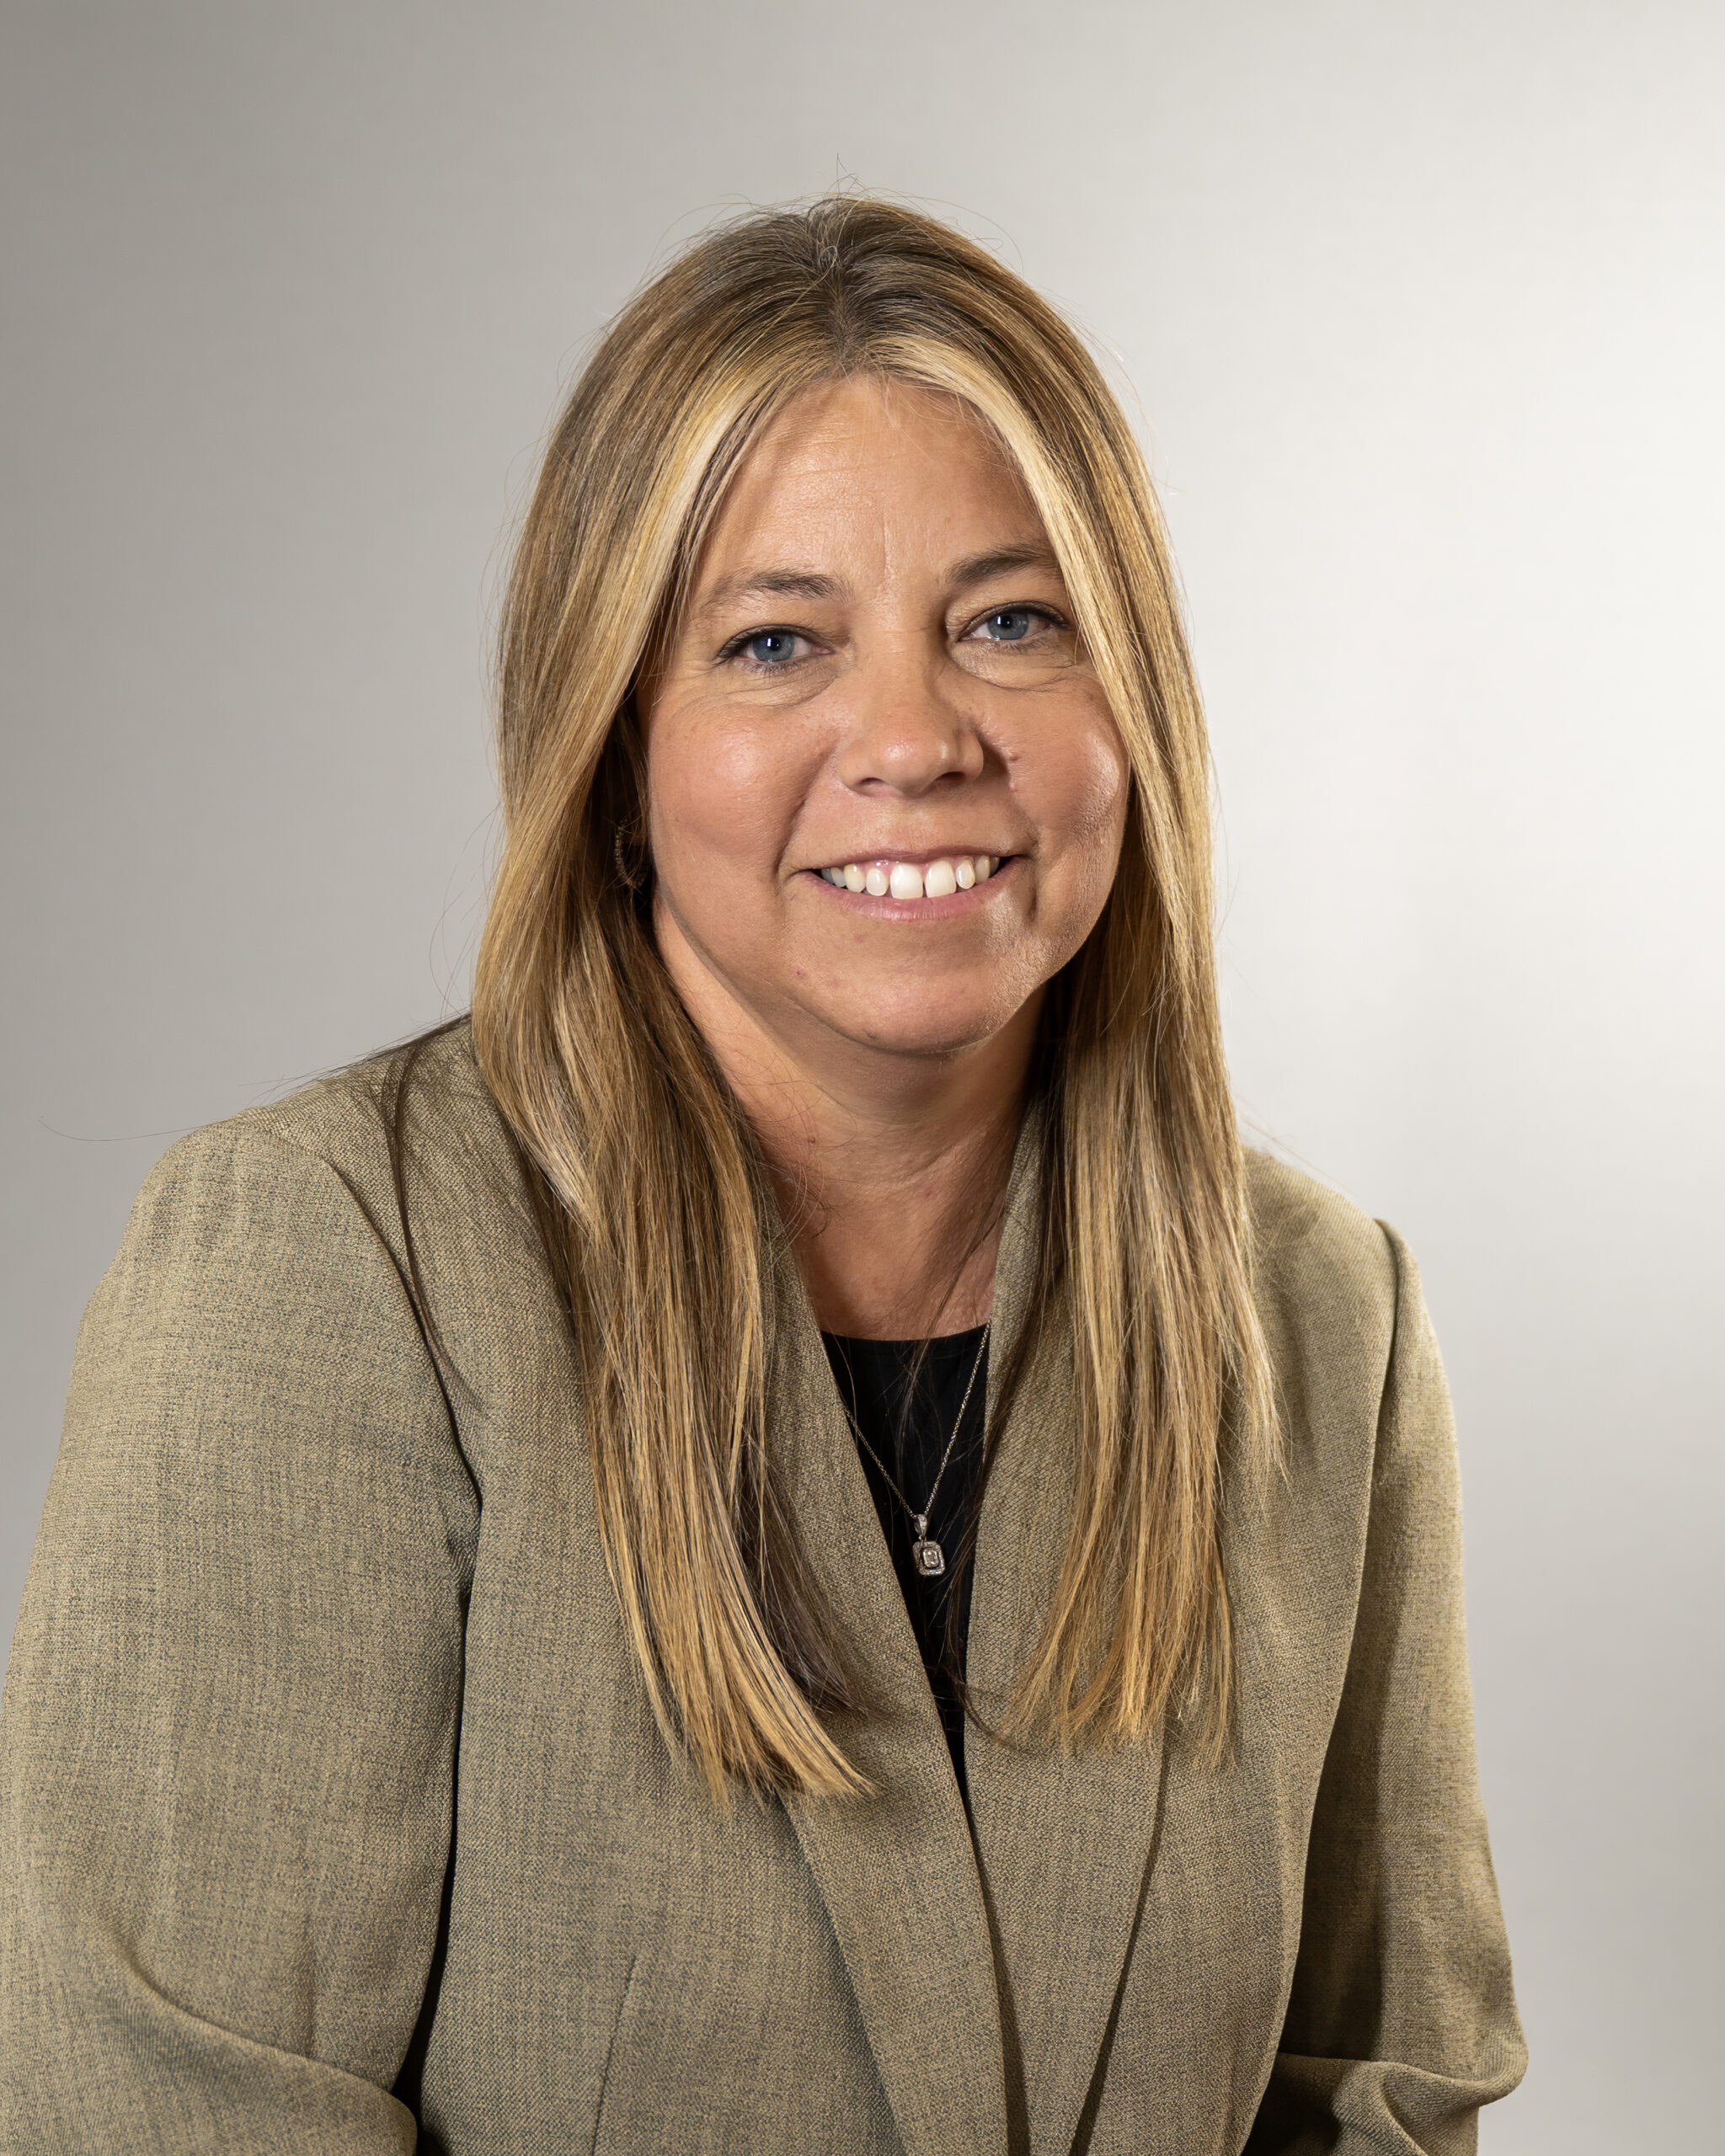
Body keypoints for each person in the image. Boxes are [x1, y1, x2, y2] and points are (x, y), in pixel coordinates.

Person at [0, 196, 1525, 2155]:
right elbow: (166, 2120)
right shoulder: (326, 1268)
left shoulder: (1324, 1314)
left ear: (1127, 704)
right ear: (614, 743)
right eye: (775, 640)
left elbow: (1378, 2096)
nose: (910, 737)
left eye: (1008, 620)